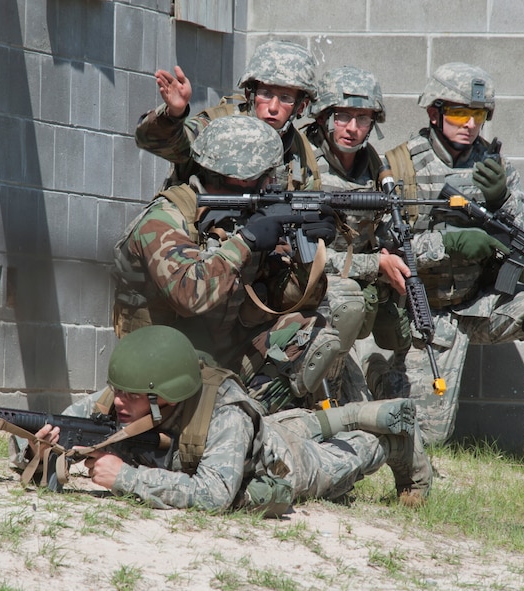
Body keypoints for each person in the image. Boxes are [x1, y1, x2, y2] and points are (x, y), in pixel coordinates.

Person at [381, 62, 524, 479]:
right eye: (459, 113)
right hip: (423, 311)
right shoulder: (399, 167)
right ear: (433, 113)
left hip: (480, 302)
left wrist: (502, 198)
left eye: (479, 115)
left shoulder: (494, 165)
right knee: (426, 439)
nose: (470, 124)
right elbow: (381, 247)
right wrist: (445, 243)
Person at [21, 325, 432, 512]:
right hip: (258, 433)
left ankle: (393, 443)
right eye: (119, 391)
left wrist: (125, 478)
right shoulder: (125, 394)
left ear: (166, 395)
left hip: (275, 463)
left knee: (337, 460)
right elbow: (67, 421)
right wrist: (37, 445)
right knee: (292, 425)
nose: (119, 403)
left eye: (132, 395)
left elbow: (214, 494)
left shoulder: (225, 414)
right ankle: (349, 414)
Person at [114, 114, 347, 415]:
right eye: (264, 176)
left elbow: (290, 301)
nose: (270, 183)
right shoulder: (165, 219)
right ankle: (222, 423)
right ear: (237, 177)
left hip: (221, 352)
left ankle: (250, 421)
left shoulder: (245, 215)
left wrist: (307, 254)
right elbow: (190, 297)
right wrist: (247, 241)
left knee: (311, 330)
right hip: (159, 365)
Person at [302, 66, 413, 401]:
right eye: (342, 116)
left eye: (362, 118)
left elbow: (386, 233)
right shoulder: (302, 164)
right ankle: (328, 399)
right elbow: (302, 255)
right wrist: (374, 265)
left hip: (356, 306)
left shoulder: (378, 170)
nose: (352, 128)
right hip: (309, 296)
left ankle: (372, 376)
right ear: (322, 116)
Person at [134, 39, 322, 190]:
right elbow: (153, 142)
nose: (273, 107)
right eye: (266, 94)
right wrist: (174, 114)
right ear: (250, 94)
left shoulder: (299, 150)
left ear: (301, 106)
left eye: (285, 97)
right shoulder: (218, 126)